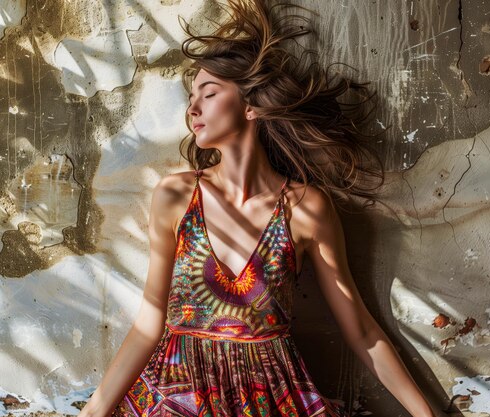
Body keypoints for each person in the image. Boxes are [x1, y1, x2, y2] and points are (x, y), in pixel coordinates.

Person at [78, 0, 437, 416]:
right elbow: (148, 324)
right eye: (191, 96)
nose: (192, 108)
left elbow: (360, 330)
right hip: (178, 401)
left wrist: (426, 413)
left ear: (251, 107)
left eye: (209, 94)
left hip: (271, 403)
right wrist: (93, 411)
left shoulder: (305, 208)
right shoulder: (176, 196)